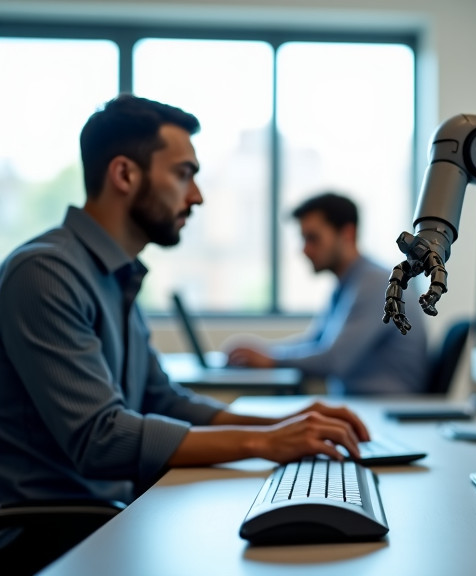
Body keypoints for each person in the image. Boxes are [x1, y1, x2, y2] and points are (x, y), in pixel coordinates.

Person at [0, 94, 371, 573]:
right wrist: (262, 443)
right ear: (125, 174)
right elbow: (101, 438)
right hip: (51, 532)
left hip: (104, 514)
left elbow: (162, 398)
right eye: (183, 174)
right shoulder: (45, 273)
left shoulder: (117, 275)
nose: (196, 195)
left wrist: (286, 427)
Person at [225, 192, 429, 395]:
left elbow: (333, 360)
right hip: (361, 403)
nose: (304, 250)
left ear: (347, 234)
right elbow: (315, 342)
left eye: (313, 238)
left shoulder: (376, 284)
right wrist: (266, 352)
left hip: (382, 408)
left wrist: (270, 359)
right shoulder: (349, 283)